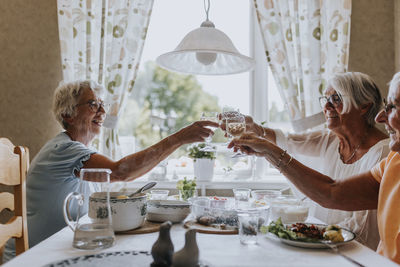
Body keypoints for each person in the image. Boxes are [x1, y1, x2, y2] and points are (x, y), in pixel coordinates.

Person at [4, 80, 218, 261]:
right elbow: (120, 171)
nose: (103, 111)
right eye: (93, 104)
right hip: (34, 257)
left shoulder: (78, 152)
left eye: (102, 104)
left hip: (59, 249)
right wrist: (179, 138)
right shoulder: (64, 149)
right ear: (68, 114)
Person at [229, 72, 400, 264]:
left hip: (354, 255)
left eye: (336, 99)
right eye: (325, 99)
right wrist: (258, 132)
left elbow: (338, 202)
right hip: (329, 249)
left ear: (364, 107)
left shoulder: (385, 152)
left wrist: (309, 236)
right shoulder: (392, 158)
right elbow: (289, 142)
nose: (326, 106)